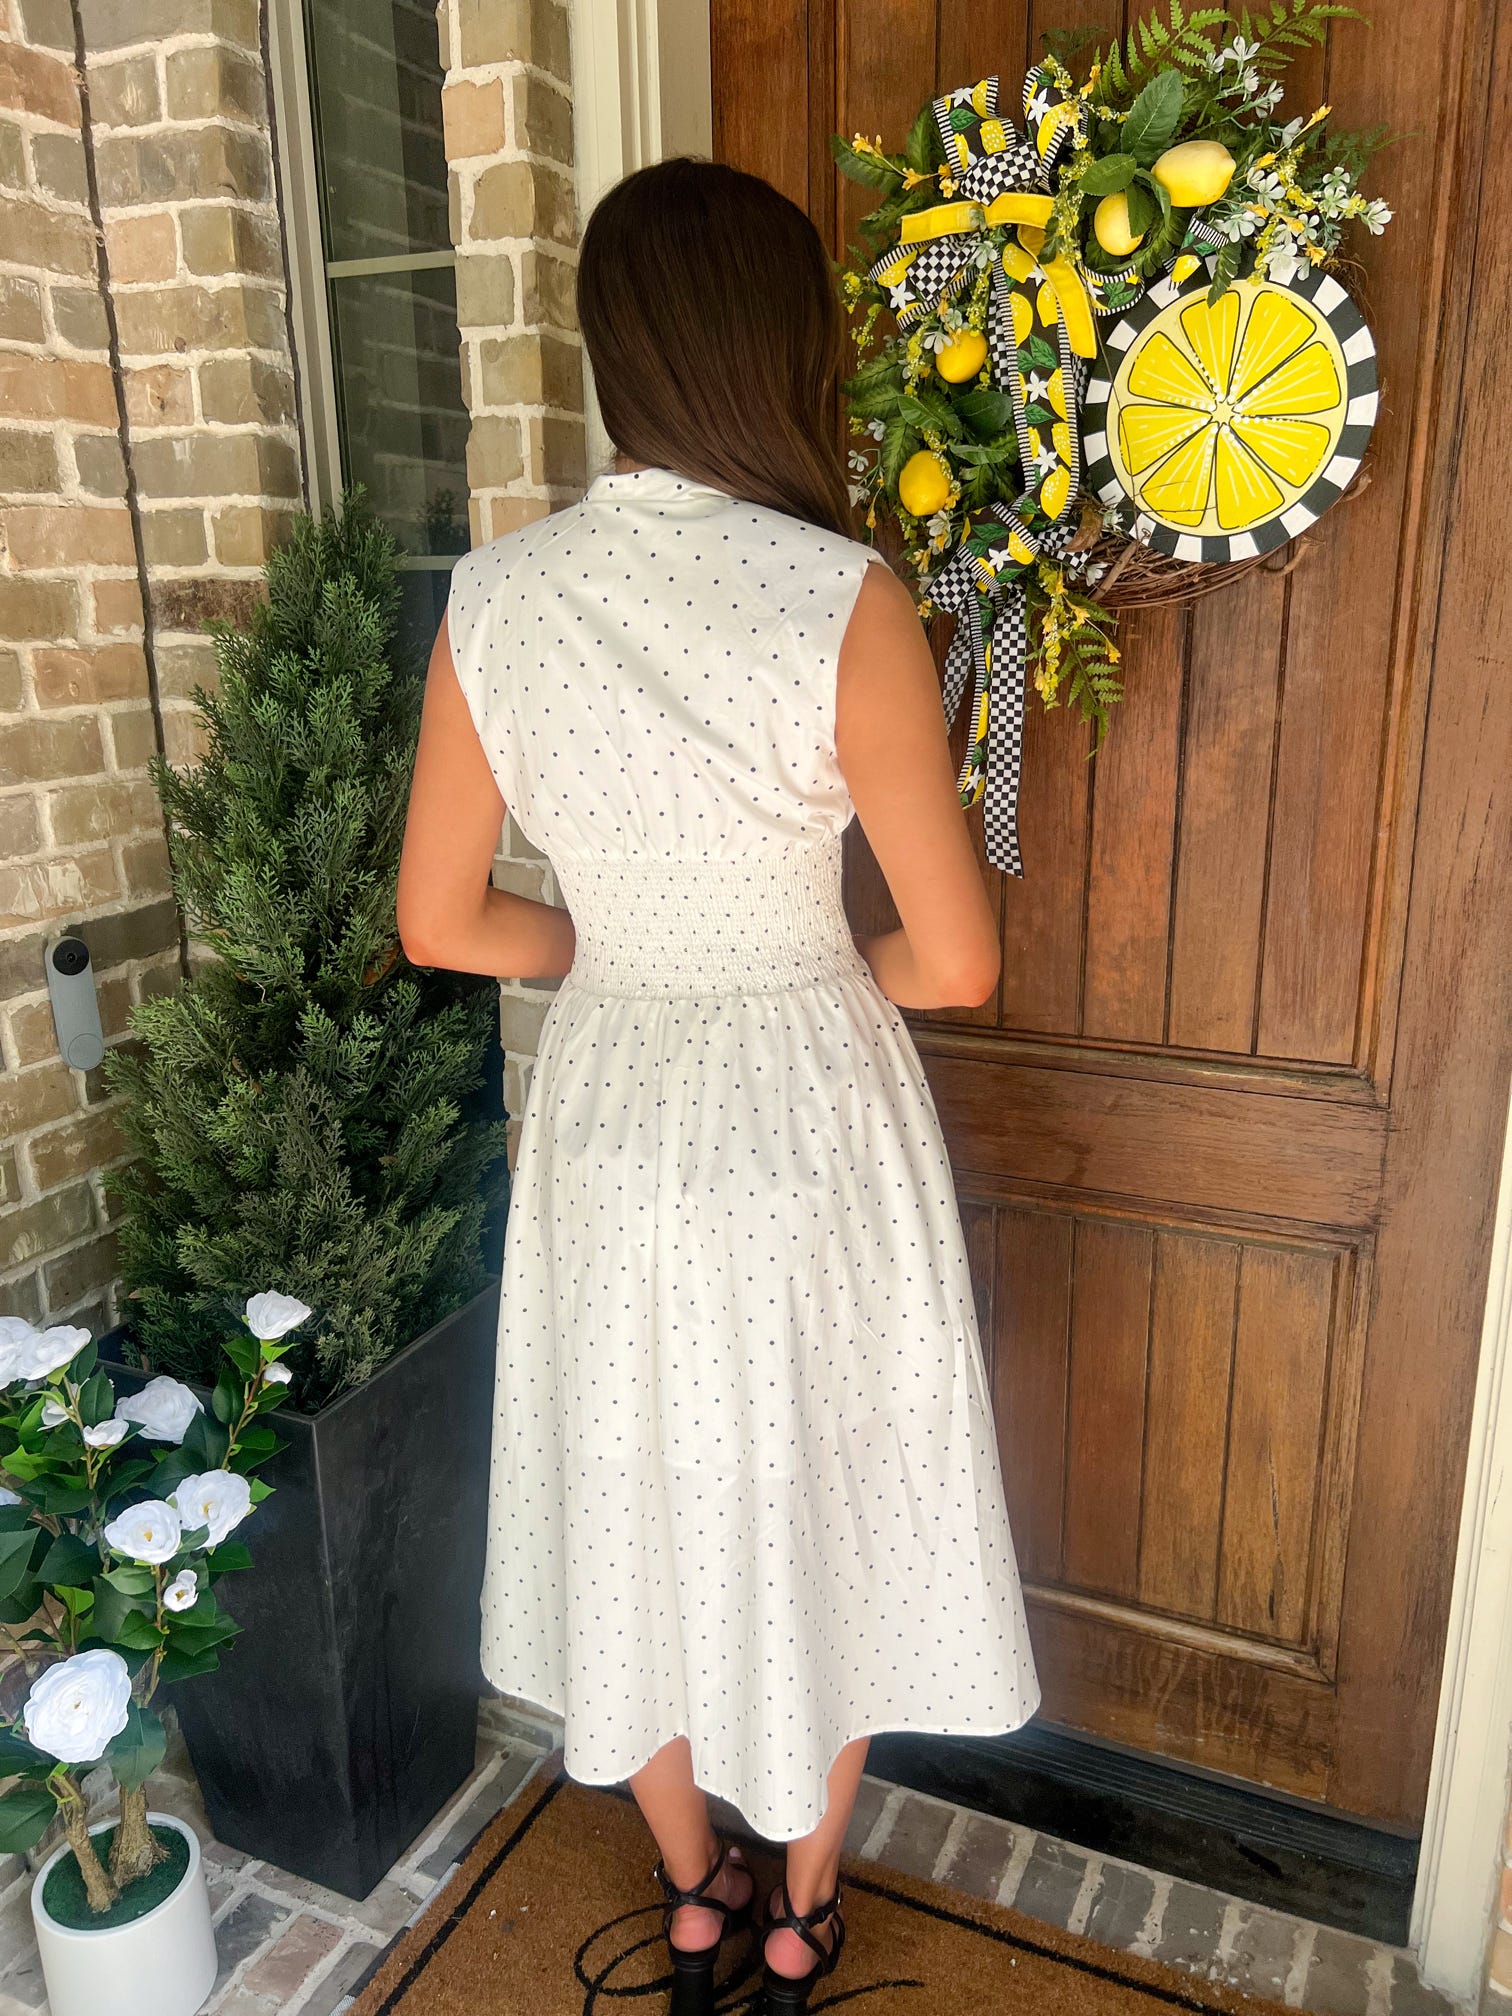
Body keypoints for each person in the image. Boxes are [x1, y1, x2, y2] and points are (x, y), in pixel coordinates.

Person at [396, 155, 1039, 2016]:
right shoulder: (841, 596)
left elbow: (443, 921)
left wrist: (610, 957)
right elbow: (960, 959)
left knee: (631, 1496)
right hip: (807, 1111)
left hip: (612, 1115)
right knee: (829, 1498)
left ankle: (690, 1895)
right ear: (789, 354)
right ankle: (800, 1903)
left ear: (615, 354)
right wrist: (815, 973)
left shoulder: (497, 599)